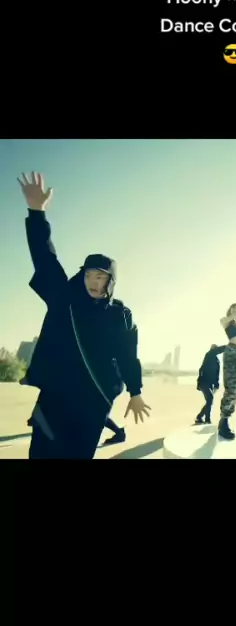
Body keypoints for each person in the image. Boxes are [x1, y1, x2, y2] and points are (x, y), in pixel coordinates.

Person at [17, 171, 151, 459]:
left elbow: (128, 356)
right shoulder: (64, 299)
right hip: (54, 400)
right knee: (40, 455)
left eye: (100, 277)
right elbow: (45, 258)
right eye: (89, 275)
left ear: (110, 281)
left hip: (92, 403)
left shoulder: (119, 316)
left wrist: (136, 392)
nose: (93, 282)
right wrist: (37, 213)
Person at [218, 295, 236, 440]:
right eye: (233, 308)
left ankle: (226, 417)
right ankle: (223, 421)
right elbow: (235, 314)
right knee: (232, 389)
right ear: (230, 310)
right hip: (231, 352)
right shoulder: (224, 321)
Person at [194, 344, 226, 425]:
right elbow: (201, 370)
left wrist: (216, 384)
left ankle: (202, 418)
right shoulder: (209, 355)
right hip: (204, 382)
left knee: (209, 401)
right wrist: (228, 346)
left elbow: (216, 373)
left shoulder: (216, 360)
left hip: (210, 384)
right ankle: (203, 418)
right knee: (210, 399)